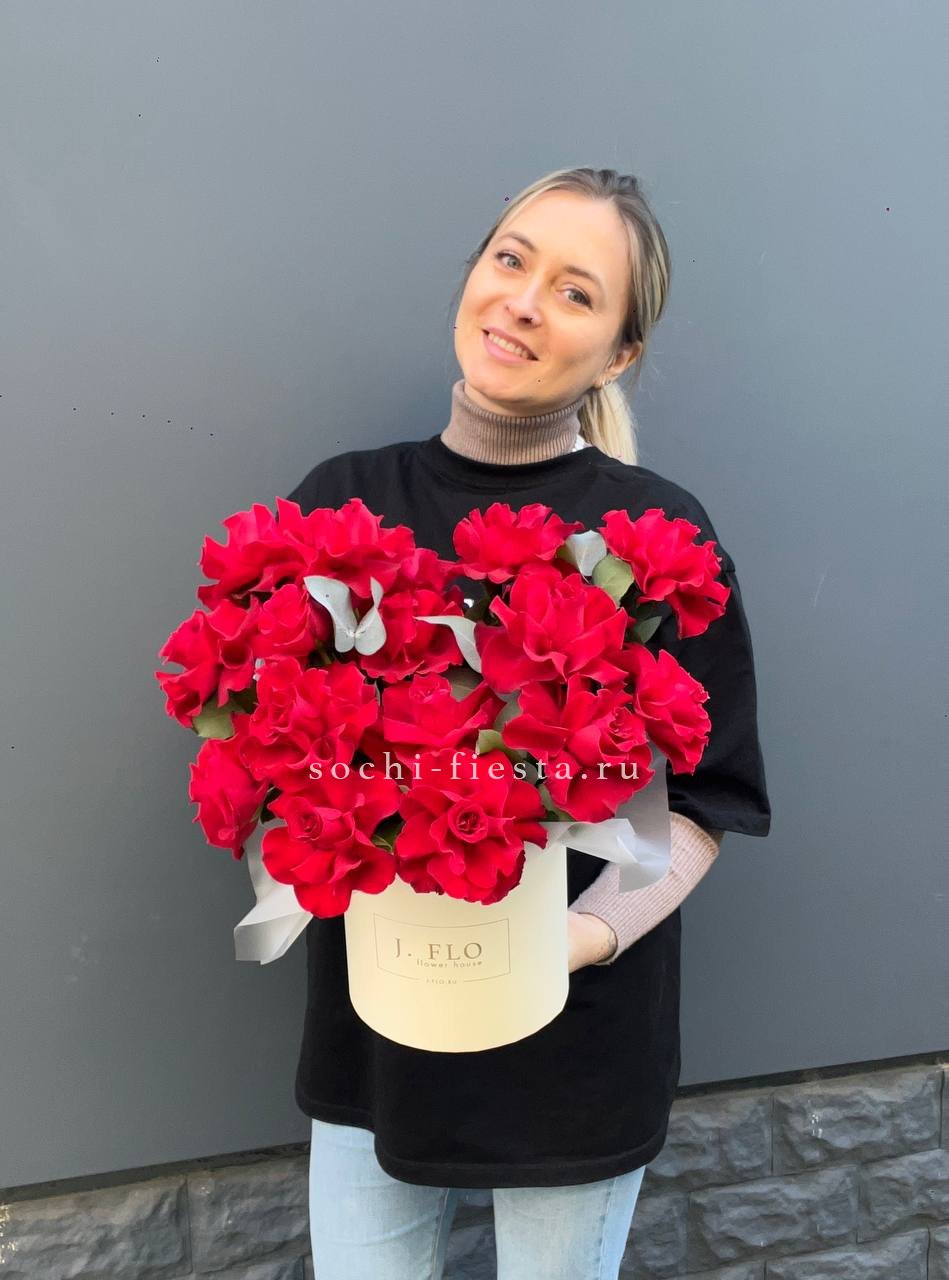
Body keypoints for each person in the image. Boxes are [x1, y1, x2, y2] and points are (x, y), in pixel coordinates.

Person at [286, 166, 772, 1279]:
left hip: (577, 1043)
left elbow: (704, 802)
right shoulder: (341, 506)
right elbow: (277, 754)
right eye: (511, 260)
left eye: (575, 291)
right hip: (379, 1035)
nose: (522, 302)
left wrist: (575, 940)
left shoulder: (657, 534)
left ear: (618, 353)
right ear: (473, 272)